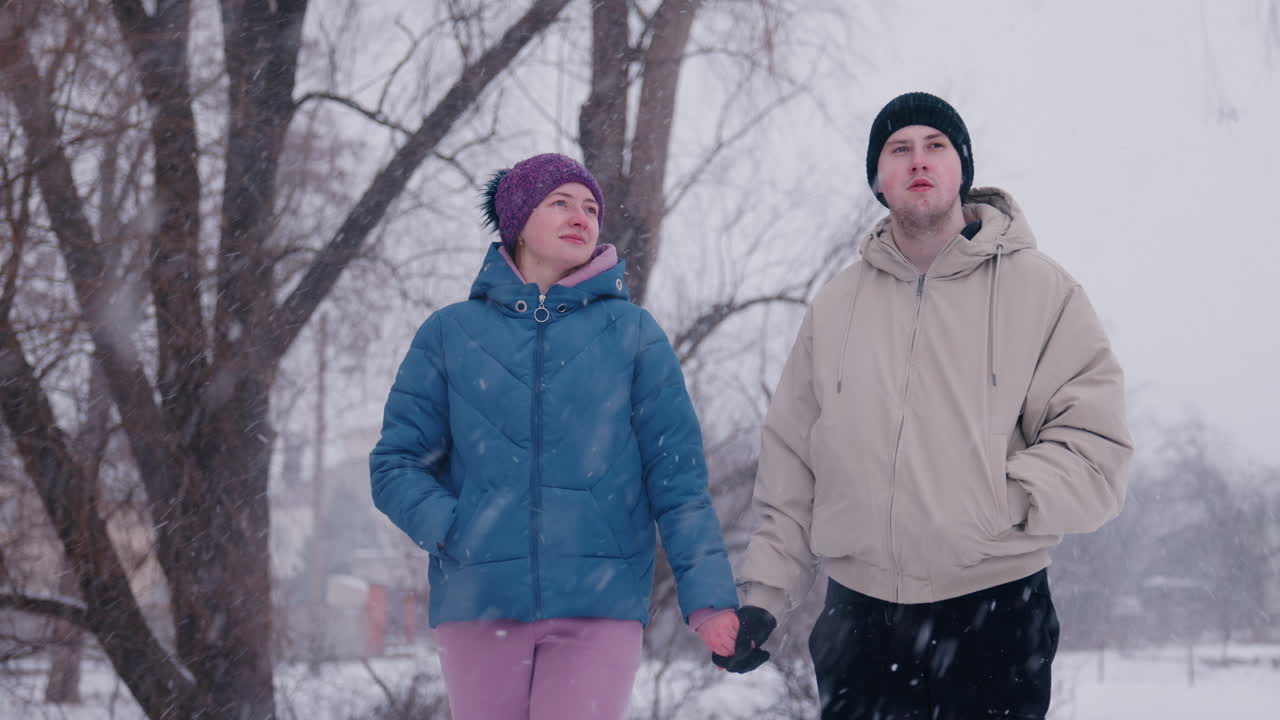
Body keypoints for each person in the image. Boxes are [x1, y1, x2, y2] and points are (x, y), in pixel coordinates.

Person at [713, 93, 1135, 719]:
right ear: (878, 181)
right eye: (898, 148)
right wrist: (766, 595)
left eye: (936, 145)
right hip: (859, 620)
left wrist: (996, 501)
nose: (919, 159)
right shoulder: (836, 307)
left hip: (994, 610)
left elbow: (1096, 453)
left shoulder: (1041, 291)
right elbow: (793, 465)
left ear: (961, 168)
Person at [369, 153, 741, 720]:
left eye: (591, 206)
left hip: (601, 606)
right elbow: (395, 463)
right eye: (560, 202)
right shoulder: (450, 334)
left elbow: (678, 480)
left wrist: (710, 602)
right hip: (479, 604)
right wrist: (455, 529)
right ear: (517, 220)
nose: (581, 215)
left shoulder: (634, 336)